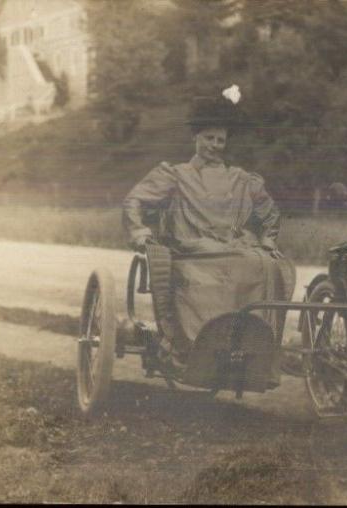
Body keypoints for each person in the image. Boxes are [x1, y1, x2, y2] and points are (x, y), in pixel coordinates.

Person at [122, 86, 295, 384]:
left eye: (220, 140)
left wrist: (269, 239)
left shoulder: (240, 179)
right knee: (208, 275)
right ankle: (193, 349)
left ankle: (253, 353)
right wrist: (139, 229)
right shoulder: (175, 175)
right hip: (190, 250)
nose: (215, 145)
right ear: (196, 138)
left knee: (265, 265)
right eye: (209, 138)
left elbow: (270, 214)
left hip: (234, 247)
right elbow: (134, 200)